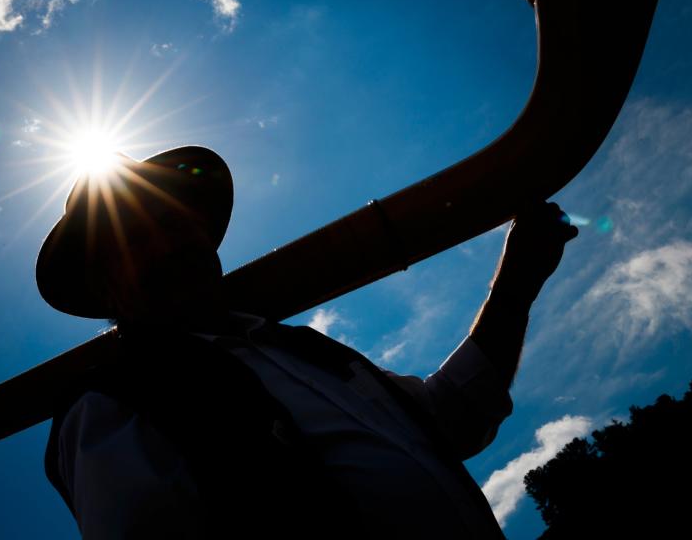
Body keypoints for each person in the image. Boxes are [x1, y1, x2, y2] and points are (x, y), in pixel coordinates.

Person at [36, 145, 578, 539]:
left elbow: (449, 418)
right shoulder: (113, 402)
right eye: (132, 238)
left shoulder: (309, 351)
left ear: (204, 234)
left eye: (171, 221)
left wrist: (517, 283)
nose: (164, 242)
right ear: (107, 284)